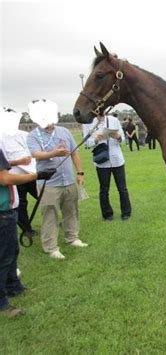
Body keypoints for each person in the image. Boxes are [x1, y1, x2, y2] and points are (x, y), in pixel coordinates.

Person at [26, 100, 88, 260]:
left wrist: (80, 172)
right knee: (49, 214)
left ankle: (72, 238)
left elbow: (75, 152)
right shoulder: (33, 135)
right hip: (48, 184)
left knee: (71, 211)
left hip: (67, 180)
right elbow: (35, 154)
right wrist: (53, 154)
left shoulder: (64, 132)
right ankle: (51, 247)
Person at [0, 148, 55, 318]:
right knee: (4, 257)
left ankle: (14, 287)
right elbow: (4, 178)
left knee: (12, 252)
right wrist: (36, 176)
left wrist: (17, 162)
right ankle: (2, 304)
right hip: (2, 210)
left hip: (7, 209)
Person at [0, 109, 38, 238]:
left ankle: (52, 221)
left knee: (44, 198)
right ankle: (27, 229)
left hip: (32, 172)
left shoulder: (24, 134)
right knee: (21, 204)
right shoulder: (1, 137)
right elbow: (3, 163)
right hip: (16, 177)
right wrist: (18, 161)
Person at [87, 113, 132, 221]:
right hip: (102, 162)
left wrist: (118, 137)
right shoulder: (90, 123)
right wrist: (96, 139)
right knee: (104, 189)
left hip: (117, 160)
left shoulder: (113, 120)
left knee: (122, 188)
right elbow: (88, 143)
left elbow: (124, 140)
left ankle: (126, 212)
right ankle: (107, 214)